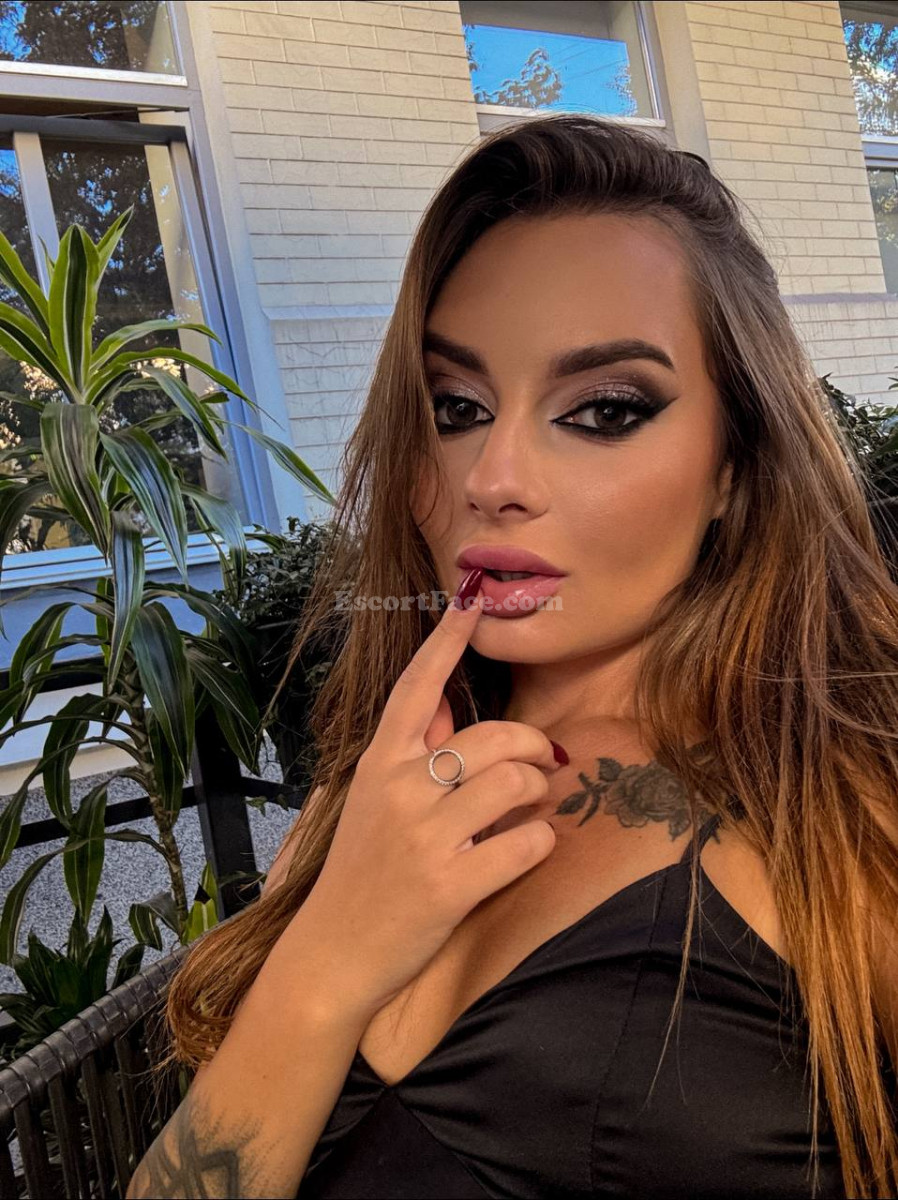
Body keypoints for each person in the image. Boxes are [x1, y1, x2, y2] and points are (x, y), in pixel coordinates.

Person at [126, 114, 898, 1200]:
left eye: (604, 410)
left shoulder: (845, 808)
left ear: (734, 464)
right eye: (456, 408)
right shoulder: (365, 802)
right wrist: (322, 967)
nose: (492, 478)